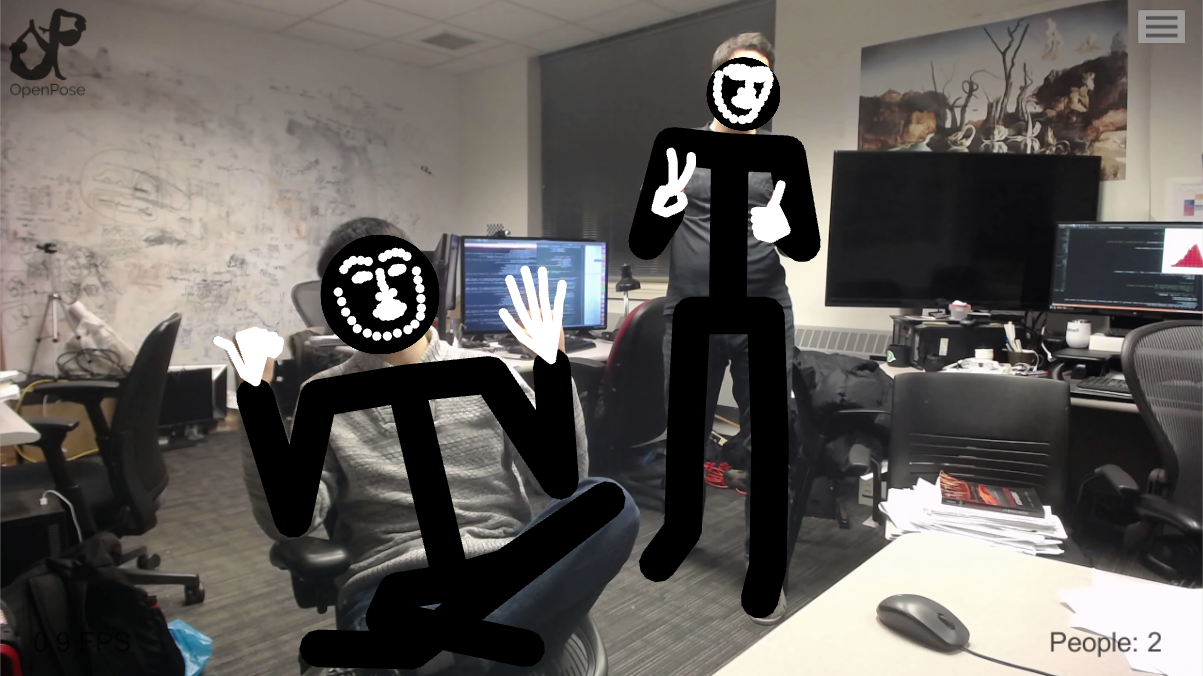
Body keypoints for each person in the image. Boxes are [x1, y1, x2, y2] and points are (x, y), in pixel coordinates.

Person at [229, 218, 640, 675]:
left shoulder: (489, 373)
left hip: (504, 573)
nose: (384, 294)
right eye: (361, 285)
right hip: (396, 589)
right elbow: (291, 523)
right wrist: (255, 406)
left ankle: (445, 655)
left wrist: (552, 368)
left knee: (611, 503)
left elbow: (564, 479)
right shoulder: (324, 396)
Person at [648, 32, 810, 626]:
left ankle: (764, 563)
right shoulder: (681, 152)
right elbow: (649, 234)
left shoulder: (782, 157)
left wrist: (783, 229)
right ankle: (681, 529)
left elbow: (801, 242)